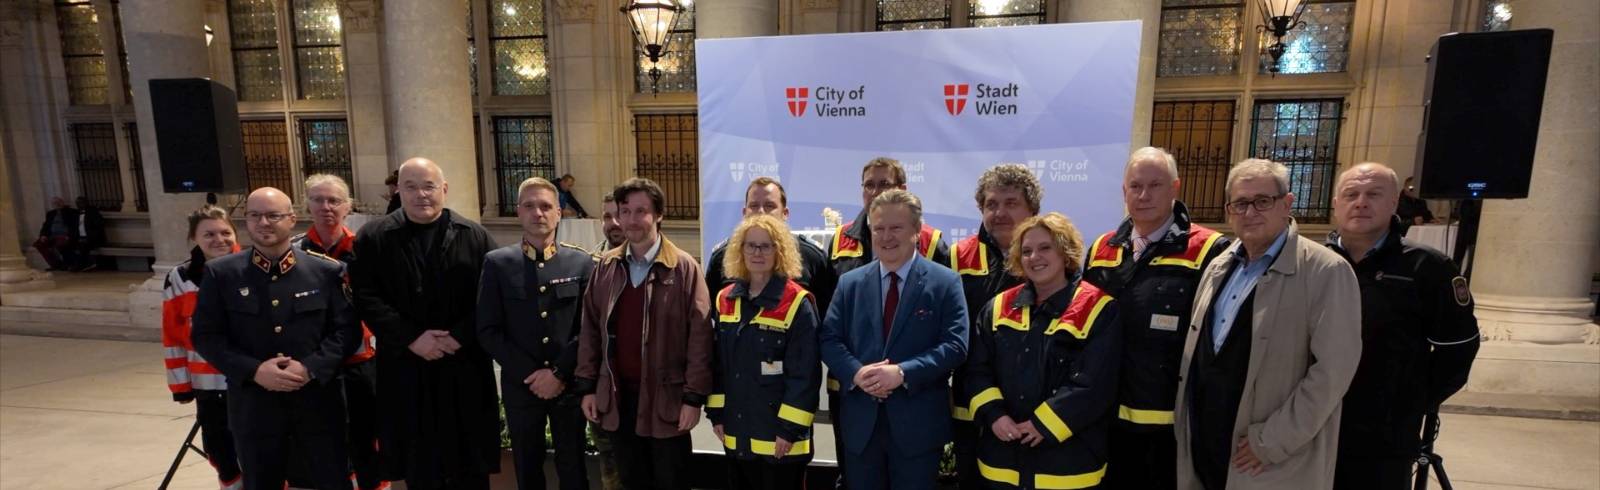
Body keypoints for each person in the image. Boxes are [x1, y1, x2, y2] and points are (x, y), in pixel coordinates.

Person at [1174, 159, 1362, 490]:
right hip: (1208, 449)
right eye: (1241, 203)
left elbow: (1333, 373)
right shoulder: (1219, 267)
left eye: (1263, 201)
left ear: (1287, 204)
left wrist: (1272, 441)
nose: (1250, 212)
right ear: (1229, 209)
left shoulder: (1326, 272)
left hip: (1268, 460)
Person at [190, 187, 361, 490]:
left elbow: (346, 331)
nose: (263, 223)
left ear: (292, 219)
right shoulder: (222, 274)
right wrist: (254, 371)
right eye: (254, 216)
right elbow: (206, 336)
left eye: (273, 215)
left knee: (331, 480)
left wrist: (309, 368)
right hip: (255, 405)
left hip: (317, 403)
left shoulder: (325, 271)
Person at [1326, 163, 1480, 490]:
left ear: (1394, 202)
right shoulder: (1314, 263)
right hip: (1313, 427)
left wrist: (1408, 402)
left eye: (1374, 194)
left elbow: (1458, 350)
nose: (1361, 202)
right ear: (1336, 203)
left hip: (1384, 439)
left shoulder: (1429, 267)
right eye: (1351, 194)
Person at [351, 157, 501, 489]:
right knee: (420, 464)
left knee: (469, 465)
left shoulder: (475, 235)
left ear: (444, 189)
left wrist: (458, 336)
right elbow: (365, 297)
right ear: (398, 190)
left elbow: (491, 297)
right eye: (411, 186)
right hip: (406, 366)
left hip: (463, 366)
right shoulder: (373, 237)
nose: (421, 194)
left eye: (429, 186)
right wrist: (412, 338)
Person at [1084, 148, 1229, 490]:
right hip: (1103, 417)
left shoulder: (1210, 249)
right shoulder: (1101, 248)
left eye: (1155, 185)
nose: (1144, 195)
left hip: (1167, 424)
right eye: (1135, 186)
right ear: (1124, 192)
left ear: (1175, 188)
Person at [819, 189, 968, 490]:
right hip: (862, 429)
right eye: (879, 229)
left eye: (896, 228)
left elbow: (955, 345)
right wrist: (856, 373)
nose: (886, 237)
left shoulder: (945, 282)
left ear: (916, 231)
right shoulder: (850, 283)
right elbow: (829, 338)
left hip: (918, 429)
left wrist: (901, 373)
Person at [965, 212, 1123, 489]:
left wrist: (1043, 423)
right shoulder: (997, 307)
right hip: (1002, 462)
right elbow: (976, 370)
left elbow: (1096, 384)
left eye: (1045, 248)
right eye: (1026, 251)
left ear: (1065, 252)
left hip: (1067, 464)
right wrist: (994, 416)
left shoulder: (1098, 308)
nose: (1034, 257)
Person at [574, 177, 712, 490]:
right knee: (630, 481)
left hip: (667, 401)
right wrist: (587, 386)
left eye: (641, 211)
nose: (632, 220)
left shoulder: (685, 269)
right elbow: (590, 331)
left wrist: (693, 398)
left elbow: (700, 339)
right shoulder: (606, 267)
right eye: (626, 211)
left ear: (659, 215)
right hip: (618, 400)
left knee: (671, 481)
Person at [478, 177, 597, 490]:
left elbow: (589, 328)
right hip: (522, 386)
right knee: (527, 469)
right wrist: (532, 373)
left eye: (546, 206)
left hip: (567, 384)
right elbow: (488, 329)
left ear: (559, 212)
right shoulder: (498, 263)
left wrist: (558, 373)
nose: (538, 213)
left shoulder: (581, 262)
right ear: (519, 212)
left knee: (573, 468)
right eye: (529, 206)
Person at [706, 214, 823, 490]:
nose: (757, 252)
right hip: (737, 436)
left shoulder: (797, 302)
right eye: (750, 245)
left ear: (779, 251)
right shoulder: (725, 299)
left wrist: (789, 430)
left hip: (782, 442)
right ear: (740, 250)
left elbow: (804, 374)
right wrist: (717, 415)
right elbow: (719, 365)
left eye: (766, 246)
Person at [288, 174, 384, 490]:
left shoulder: (366, 250)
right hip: (315, 366)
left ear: (348, 206)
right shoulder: (293, 252)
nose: (326, 207)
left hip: (361, 363)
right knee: (321, 441)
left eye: (334, 200)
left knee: (368, 439)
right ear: (306, 205)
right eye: (318, 200)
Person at [947, 163, 1039, 489]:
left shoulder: (1048, 258)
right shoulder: (957, 257)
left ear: (1032, 209)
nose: (1000, 212)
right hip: (970, 407)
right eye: (991, 204)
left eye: (1011, 203)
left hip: (1033, 413)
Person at [161, 204, 243, 490]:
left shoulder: (252, 268)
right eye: (209, 234)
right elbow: (172, 336)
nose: (219, 240)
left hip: (250, 380)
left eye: (225, 232)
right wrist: (180, 386)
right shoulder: (179, 278)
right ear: (193, 238)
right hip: (208, 385)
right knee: (222, 453)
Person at [705, 177, 837, 315]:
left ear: (785, 213)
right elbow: (713, 317)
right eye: (754, 206)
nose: (761, 211)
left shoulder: (812, 257)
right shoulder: (723, 257)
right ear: (744, 213)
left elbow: (826, 316)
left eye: (769, 206)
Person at [33, 197, 82, 271]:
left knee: (60, 243)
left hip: (65, 235)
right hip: (52, 236)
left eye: (59, 202)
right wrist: (43, 235)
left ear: (62, 202)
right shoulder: (50, 214)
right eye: (55, 203)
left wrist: (69, 236)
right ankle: (55, 264)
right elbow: (46, 226)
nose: (57, 204)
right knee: (39, 244)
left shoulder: (70, 212)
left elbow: (74, 225)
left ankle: (67, 264)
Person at [74, 197, 107, 271]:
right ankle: (85, 263)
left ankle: (80, 265)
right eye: (77, 203)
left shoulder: (93, 212)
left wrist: (89, 236)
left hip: (92, 238)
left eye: (81, 203)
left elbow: (98, 226)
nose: (79, 205)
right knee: (72, 245)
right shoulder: (76, 213)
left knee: (83, 245)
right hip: (81, 237)